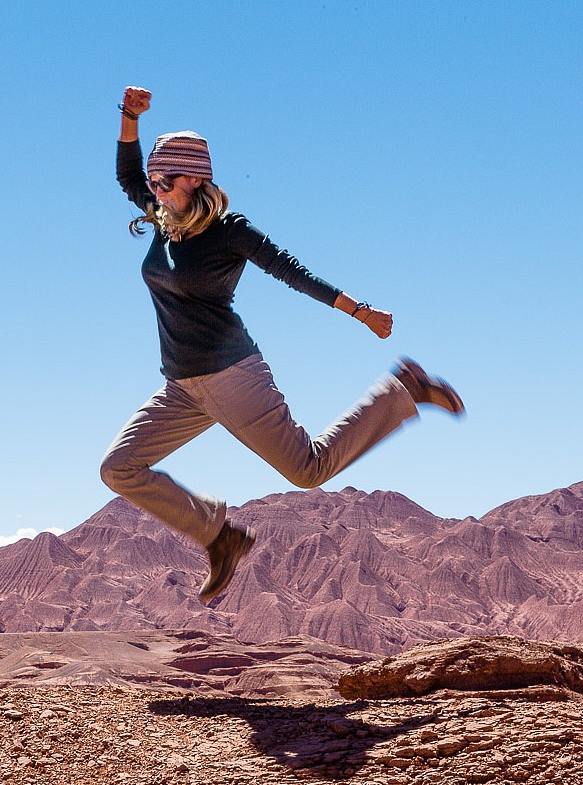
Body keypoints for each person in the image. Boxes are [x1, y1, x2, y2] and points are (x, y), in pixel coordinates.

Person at [100, 86, 465, 604]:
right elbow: (126, 174)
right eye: (153, 179)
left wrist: (358, 310)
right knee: (118, 468)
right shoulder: (163, 218)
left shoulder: (229, 231)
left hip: (233, 377)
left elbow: (291, 272)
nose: (154, 188)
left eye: (165, 179)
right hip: (181, 387)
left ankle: (403, 391)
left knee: (308, 470)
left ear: (195, 178)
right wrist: (128, 118)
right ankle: (220, 537)